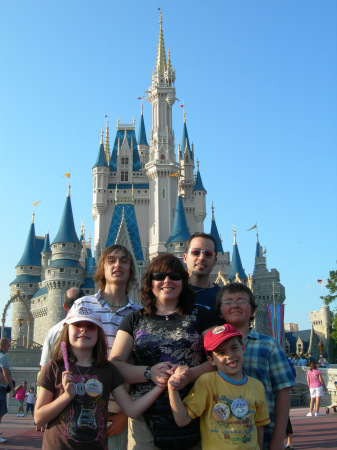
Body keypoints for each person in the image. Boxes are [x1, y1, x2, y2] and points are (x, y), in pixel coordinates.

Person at [110, 253, 217, 449]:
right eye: (159, 276)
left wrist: (190, 374)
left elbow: (218, 360)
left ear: (183, 282)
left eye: (175, 276)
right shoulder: (134, 320)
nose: (167, 280)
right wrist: (149, 373)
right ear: (150, 282)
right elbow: (114, 366)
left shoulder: (201, 315)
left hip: (196, 415)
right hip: (146, 423)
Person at [35, 306, 163, 450]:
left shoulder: (107, 370)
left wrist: (161, 385)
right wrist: (66, 396)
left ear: (98, 333)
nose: (84, 329)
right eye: (77, 325)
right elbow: (39, 418)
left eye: (91, 326)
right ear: (67, 330)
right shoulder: (54, 367)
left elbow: (132, 409)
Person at [71, 244, 141, 449]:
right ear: (102, 268)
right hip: (81, 406)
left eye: (124, 261)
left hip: (120, 411)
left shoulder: (140, 315)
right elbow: (66, 355)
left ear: (131, 270)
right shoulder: (83, 306)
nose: (117, 265)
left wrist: (124, 414)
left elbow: (138, 363)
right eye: (111, 260)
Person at [215, 283, 295, 450]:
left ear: (252, 311)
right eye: (228, 302)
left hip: (264, 438)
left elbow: (283, 391)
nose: (235, 305)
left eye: (241, 301)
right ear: (220, 312)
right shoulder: (212, 348)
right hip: (220, 438)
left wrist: (278, 439)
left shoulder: (268, 345)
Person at [168, 324, 270, 449]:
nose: (230, 355)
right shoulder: (207, 382)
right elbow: (182, 420)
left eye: (234, 348)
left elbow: (259, 427)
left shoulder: (257, 386)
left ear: (243, 348)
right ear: (211, 360)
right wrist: (172, 387)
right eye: (221, 353)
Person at [40, 287, 85, 367]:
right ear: (85, 304)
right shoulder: (94, 329)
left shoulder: (53, 332)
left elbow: (44, 366)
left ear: (64, 306)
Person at [183, 233, 220, 320]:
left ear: (215, 261)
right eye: (196, 252)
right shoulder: (173, 293)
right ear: (185, 258)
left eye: (208, 253)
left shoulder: (222, 298)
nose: (201, 257)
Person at [0, 338, 15, 444]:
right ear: (4, 345)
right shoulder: (2, 357)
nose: (8, 348)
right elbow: (6, 374)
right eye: (8, 346)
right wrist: (13, 388)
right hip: (1, 388)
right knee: (0, 412)